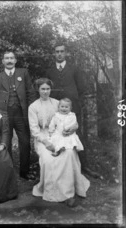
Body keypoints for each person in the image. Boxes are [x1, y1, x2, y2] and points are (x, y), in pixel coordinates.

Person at [28, 78, 90, 207]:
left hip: (61, 135)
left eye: (48, 89)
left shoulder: (57, 103)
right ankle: (52, 192)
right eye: (42, 89)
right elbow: (34, 130)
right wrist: (46, 143)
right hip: (43, 137)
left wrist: (73, 128)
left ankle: (68, 192)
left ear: (51, 89)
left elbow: (71, 118)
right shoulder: (33, 107)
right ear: (38, 90)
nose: (45, 91)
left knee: (69, 154)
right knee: (48, 159)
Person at [45, 43, 100, 178]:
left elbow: (81, 88)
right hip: (56, 107)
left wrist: (74, 103)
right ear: (54, 53)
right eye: (57, 51)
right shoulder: (49, 71)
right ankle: (58, 167)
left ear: (66, 53)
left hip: (72, 106)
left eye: (62, 51)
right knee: (56, 134)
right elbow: (47, 89)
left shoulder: (74, 68)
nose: (59, 54)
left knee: (76, 134)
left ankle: (84, 165)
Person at [0, 51, 36, 180]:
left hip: (21, 113)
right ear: (3, 61)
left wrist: (31, 110)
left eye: (11, 58)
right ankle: (8, 170)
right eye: (7, 58)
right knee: (6, 141)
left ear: (15, 60)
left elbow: (31, 93)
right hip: (4, 114)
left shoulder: (23, 73)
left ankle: (24, 171)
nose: (9, 60)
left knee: (25, 142)